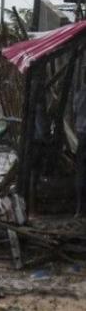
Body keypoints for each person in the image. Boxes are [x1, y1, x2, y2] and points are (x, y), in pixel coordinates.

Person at [74, 78, 86, 217]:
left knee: (81, 171)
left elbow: (75, 110)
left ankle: (79, 208)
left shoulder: (79, 94)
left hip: (82, 134)